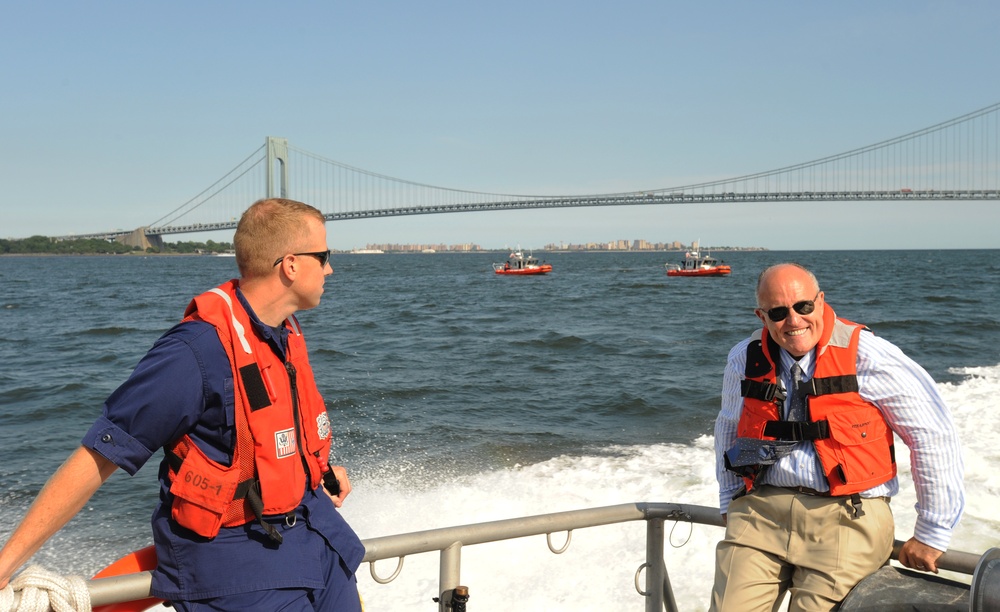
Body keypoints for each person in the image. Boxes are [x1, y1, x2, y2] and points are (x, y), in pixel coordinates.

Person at [0, 198, 366, 610]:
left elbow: (260, 438)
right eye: (325, 256)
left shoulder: (281, 335)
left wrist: (309, 470)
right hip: (242, 565)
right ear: (292, 265)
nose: (330, 269)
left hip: (318, 537)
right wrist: (6, 562)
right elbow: (99, 454)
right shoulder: (193, 353)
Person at [711, 262, 964, 611]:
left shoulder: (870, 356)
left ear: (820, 301)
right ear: (762, 316)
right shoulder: (745, 358)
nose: (794, 321)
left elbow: (931, 433)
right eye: (779, 312)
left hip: (848, 516)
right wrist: (729, 498)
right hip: (760, 511)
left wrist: (933, 531)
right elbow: (728, 426)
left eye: (803, 307)